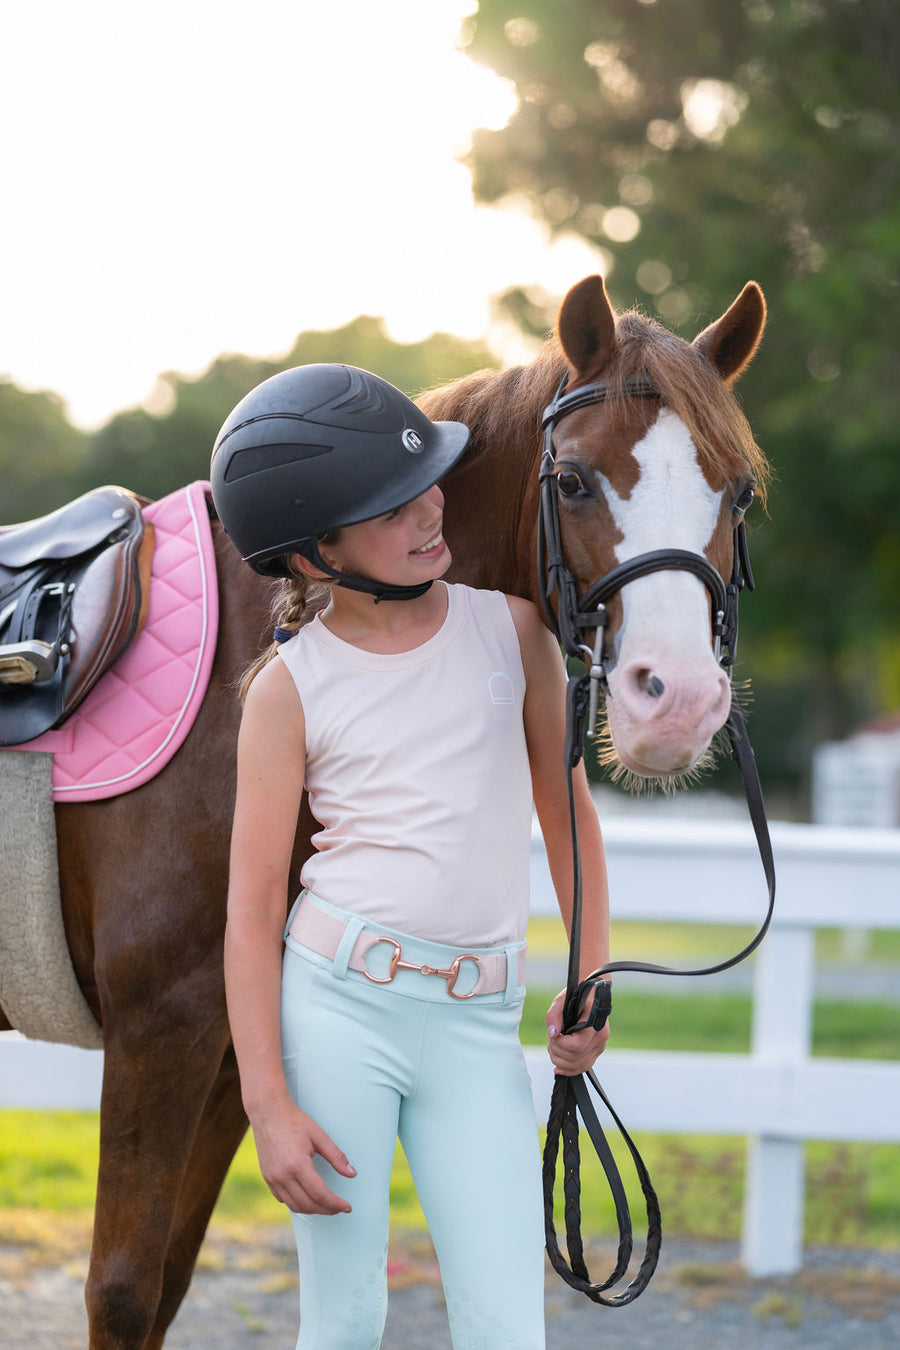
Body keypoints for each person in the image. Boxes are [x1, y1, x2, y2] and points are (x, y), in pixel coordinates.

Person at [211, 362, 610, 1349]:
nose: (431, 506)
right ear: (315, 558)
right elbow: (253, 911)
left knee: (507, 1326)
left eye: (424, 481)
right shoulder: (287, 691)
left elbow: (571, 819)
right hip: (339, 1008)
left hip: (477, 1025)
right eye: (392, 508)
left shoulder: (513, 632)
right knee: (344, 1318)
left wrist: (591, 975)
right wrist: (268, 1105)